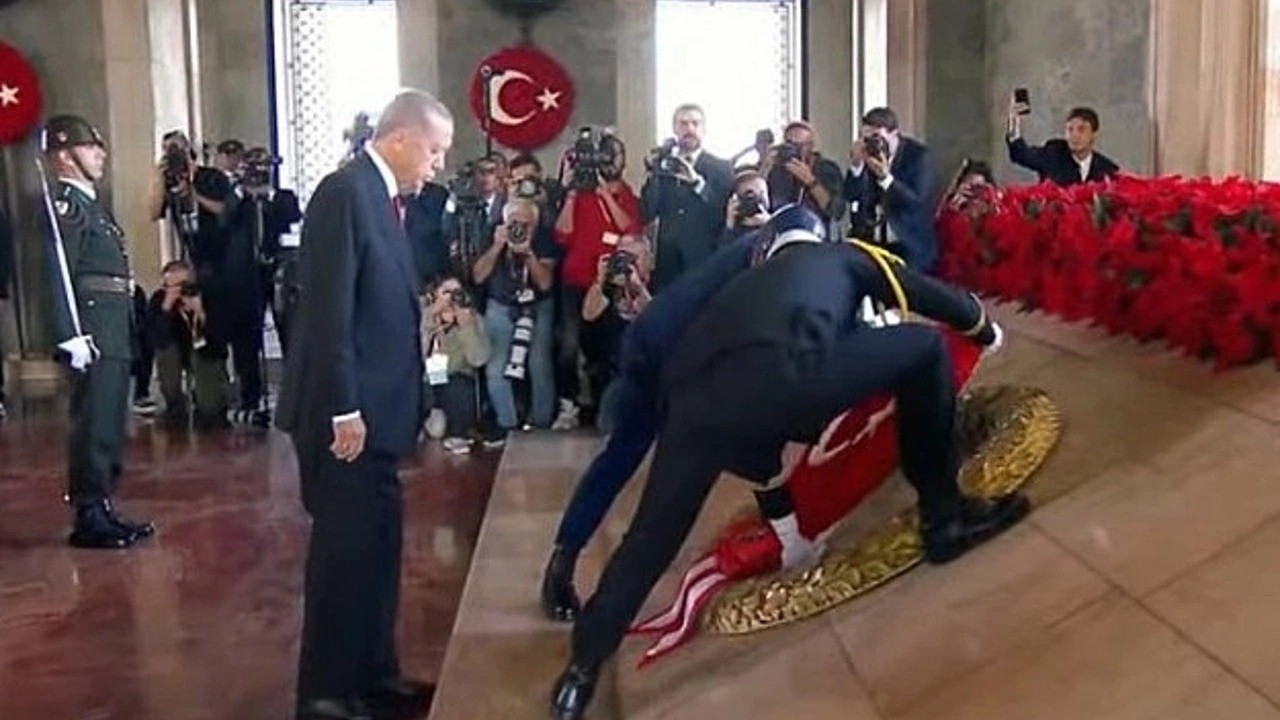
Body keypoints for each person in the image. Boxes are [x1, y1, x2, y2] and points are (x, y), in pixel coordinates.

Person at [549, 205, 1024, 720]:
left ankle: (581, 670)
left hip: (693, 409)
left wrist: (781, 511)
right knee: (926, 349)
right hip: (794, 377)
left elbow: (751, 437)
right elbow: (921, 293)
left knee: (649, 539)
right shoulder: (843, 255)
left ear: (763, 251)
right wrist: (981, 327)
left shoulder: (737, 288)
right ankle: (943, 516)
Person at [276, 90, 453, 720]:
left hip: (379, 415)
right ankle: (326, 693)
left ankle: (374, 674)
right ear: (400, 138)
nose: (437, 165)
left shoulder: (384, 200)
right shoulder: (344, 192)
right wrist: (343, 409)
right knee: (343, 559)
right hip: (343, 417)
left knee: (377, 553)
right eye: (434, 150)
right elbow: (327, 312)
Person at [539, 223, 765, 622]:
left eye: (636, 256)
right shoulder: (609, 284)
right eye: (622, 255)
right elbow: (591, 318)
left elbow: (669, 323)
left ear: (652, 260)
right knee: (617, 456)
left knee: (690, 473)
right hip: (631, 380)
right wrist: (605, 283)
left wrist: (642, 294)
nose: (629, 263)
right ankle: (563, 558)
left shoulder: (677, 283)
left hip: (683, 378)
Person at [41, 114, 155, 549]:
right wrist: (69, 333)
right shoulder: (67, 207)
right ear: (65, 157)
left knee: (109, 420)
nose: (101, 155)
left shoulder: (90, 206)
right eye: (91, 148)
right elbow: (58, 273)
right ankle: (89, 513)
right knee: (92, 422)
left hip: (111, 328)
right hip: (91, 330)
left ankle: (103, 505)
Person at [844, 106, 942, 272]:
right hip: (872, 244)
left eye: (877, 137)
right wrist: (856, 167)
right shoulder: (867, 156)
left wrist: (886, 179)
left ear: (894, 133)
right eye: (865, 138)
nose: (872, 144)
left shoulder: (918, 156)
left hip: (907, 244)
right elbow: (850, 195)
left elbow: (916, 203)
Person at [1006, 98, 1119, 187]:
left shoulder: (1108, 170)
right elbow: (1020, 154)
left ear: (1094, 134)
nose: (1074, 135)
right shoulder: (1052, 154)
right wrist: (1014, 122)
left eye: (1081, 129)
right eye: (1070, 129)